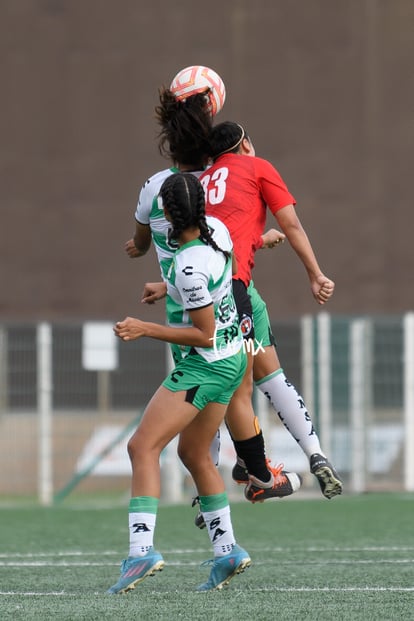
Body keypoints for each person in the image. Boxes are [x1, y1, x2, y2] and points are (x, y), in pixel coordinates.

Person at [126, 87, 301, 503]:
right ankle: (252, 481)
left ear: (167, 216)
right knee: (230, 399)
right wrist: (264, 238)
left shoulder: (156, 189)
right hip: (225, 312)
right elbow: (233, 235)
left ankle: (241, 485)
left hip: (185, 322)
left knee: (173, 446)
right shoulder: (210, 198)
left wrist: (145, 262)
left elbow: (141, 241)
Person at [108, 172, 251, 594]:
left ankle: (140, 553)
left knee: (141, 447)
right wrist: (167, 286)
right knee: (194, 453)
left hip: (205, 364)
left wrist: (144, 328)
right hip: (232, 358)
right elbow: (216, 279)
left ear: (168, 214)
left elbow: (203, 332)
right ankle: (227, 550)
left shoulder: (186, 263)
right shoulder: (218, 232)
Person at [199, 121, 343, 501]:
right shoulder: (257, 166)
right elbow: (291, 222)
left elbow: (219, 237)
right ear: (245, 142)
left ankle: (220, 476)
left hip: (194, 291)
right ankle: (261, 472)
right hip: (232, 290)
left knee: (220, 378)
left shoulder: (200, 182)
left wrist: (258, 241)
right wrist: (316, 274)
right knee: (245, 383)